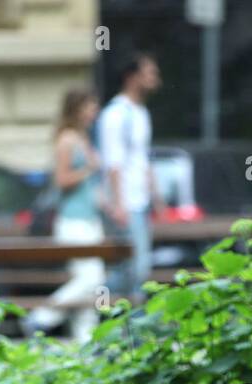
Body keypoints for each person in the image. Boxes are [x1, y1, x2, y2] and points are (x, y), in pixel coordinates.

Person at [23, 88, 106, 343]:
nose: (95, 112)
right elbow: (62, 180)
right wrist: (88, 169)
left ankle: (86, 341)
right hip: (72, 221)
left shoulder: (83, 137)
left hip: (90, 220)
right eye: (90, 106)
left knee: (91, 282)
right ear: (77, 108)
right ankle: (41, 317)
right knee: (92, 278)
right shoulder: (67, 139)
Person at [98, 52, 162, 302]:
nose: (155, 79)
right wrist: (118, 203)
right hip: (126, 203)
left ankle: (130, 324)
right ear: (132, 77)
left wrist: (155, 197)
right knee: (134, 267)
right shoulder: (116, 114)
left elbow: (141, 159)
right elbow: (113, 162)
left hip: (140, 201)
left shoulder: (140, 113)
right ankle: (97, 300)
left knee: (137, 267)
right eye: (149, 73)